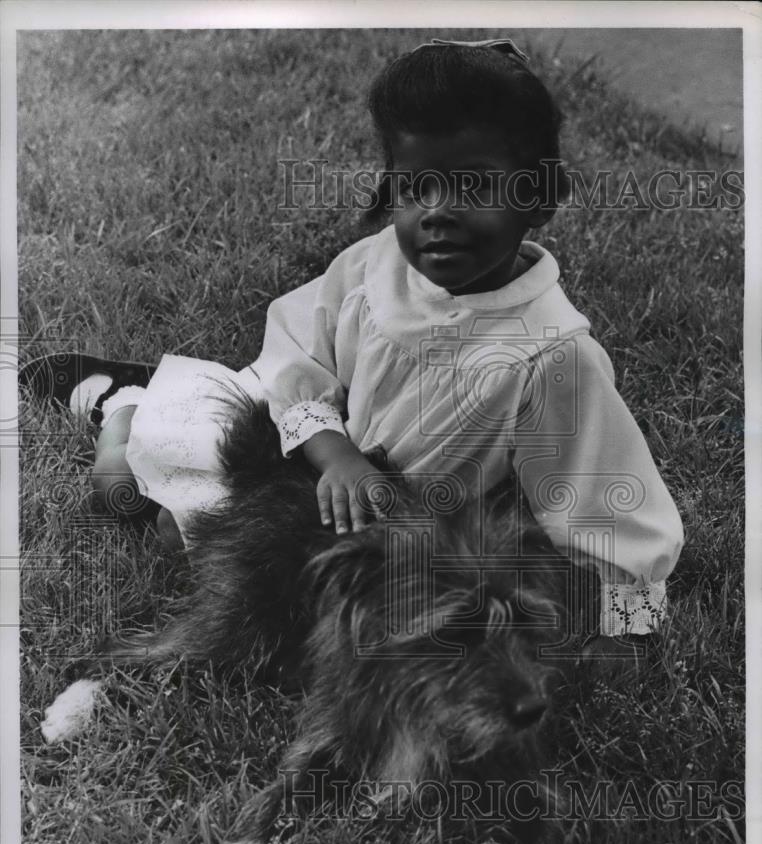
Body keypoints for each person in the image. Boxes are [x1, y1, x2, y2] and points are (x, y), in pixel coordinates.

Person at [20, 37, 683, 660]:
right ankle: (126, 407)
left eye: (474, 186)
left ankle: (150, 411)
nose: (437, 212)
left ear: (537, 198)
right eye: (414, 186)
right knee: (126, 489)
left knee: (278, 584)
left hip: (404, 524)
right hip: (315, 453)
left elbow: (608, 504)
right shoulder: (374, 269)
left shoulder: (552, 355)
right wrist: (334, 452)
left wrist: (623, 625)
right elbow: (296, 363)